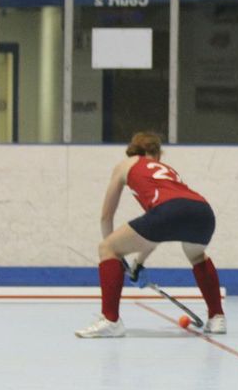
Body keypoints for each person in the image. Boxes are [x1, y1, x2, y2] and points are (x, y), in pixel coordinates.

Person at [75, 132, 225, 338]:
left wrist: (116, 257)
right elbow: (155, 230)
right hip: (202, 211)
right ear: (155, 152)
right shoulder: (168, 171)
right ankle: (217, 318)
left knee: (106, 248)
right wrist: (138, 263)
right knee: (197, 255)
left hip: (168, 211)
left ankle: (110, 321)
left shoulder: (125, 165)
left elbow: (106, 217)